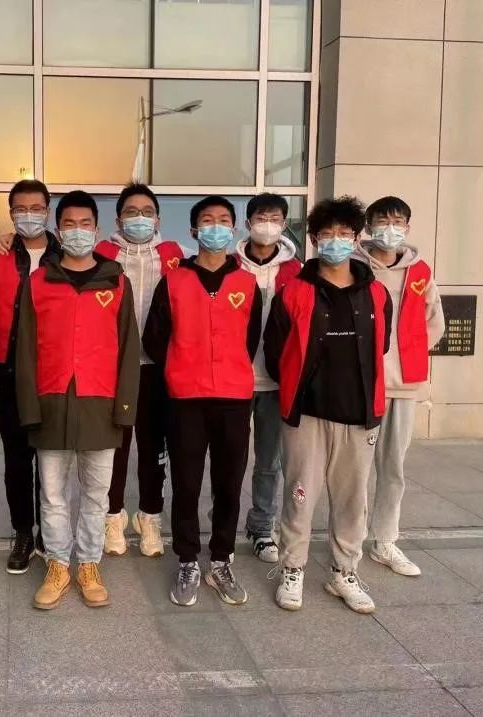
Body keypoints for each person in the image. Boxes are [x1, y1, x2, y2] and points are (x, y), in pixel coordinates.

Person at [264, 196, 392, 614]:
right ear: (315, 240)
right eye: (327, 234)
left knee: (353, 500)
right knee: (299, 495)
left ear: (356, 238)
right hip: (307, 412)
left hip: (358, 412)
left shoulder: (375, 293)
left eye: (344, 233)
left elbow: (381, 346)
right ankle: (293, 568)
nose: (335, 240)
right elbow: (275, 351)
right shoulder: (293, 291)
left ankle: (344, 572)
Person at [15, 190, 140, 610]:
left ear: (97, 230)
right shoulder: (38, 283)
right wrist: (29, 406)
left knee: (95, 495)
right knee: (52, 494)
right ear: (58, 229)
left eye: (85, 224)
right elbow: (25, 349)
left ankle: (88, 564)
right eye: (69, 224)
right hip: (51, 402)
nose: (77, 231)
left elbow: (129, 348)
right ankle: (57, 565)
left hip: (100, 403)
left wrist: (125, 407)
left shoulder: (116, 283)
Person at [143, 195, 262, 607]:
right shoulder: (174, 280)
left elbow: (251, 340)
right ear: (194, 231)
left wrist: (228, 368)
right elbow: (154, 339)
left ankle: (222, 559)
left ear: (235, 229)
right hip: (186, 398)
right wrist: (182, 367)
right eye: (207, 221)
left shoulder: (247, 283)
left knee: (229, 483)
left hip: (233, 396)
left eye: (223, 220)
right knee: (187, 483)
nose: (215, 227)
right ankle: (188, 559)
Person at [93, 183, 184, 558]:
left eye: (147, 212)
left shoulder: (174, 255)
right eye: (131, 212)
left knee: (153, 448)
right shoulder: (102, 255)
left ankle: (150, 517)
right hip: (114, 368)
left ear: (158, 219)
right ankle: (112, 516)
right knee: (114, 446)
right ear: (118, 219)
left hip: (158, 368)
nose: (140, 218)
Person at [0, 180, 62, 575]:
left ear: (48, 210)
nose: (29, 215)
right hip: (9, 372)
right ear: (11, 213)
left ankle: (50, 531)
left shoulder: (66, 256)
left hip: (54, 375)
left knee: (52, 459)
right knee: (16, 460)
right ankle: (23, 532)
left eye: (37, 207)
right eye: (21, 208)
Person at [357, 196, 444, 576]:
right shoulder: (354, 266)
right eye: (382, 220)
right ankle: (351, 539)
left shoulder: (420, 271)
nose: (390, 228)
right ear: (368, 226)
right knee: (355, 471)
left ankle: (385, 540)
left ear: (407, 227)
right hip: (361, 383)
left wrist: (408, 353)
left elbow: (434, 322)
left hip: (403, 384)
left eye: (397, 221)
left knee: (393, 467)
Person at [235, 193, 302, 563]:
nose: (267, 224)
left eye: (275, 218)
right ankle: (223, 526)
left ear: (284, 224)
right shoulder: (229, 266)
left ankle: (262, 528)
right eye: (261, 217)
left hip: (276, 382)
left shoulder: (298, 272)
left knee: (268, 463)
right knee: (229, 460)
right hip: (233, 379)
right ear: (248, 224)